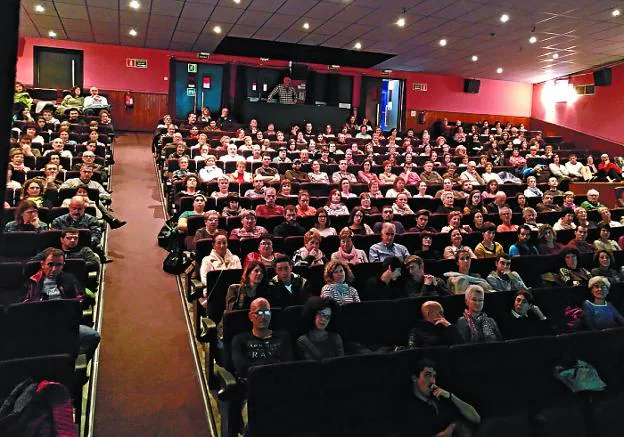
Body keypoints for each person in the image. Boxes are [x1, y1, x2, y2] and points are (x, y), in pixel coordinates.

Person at [24, 248, 101, 359]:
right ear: (42, 264)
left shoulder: (69, 279)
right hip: (39, 326)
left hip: (65, 324)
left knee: (93, 336)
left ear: (63, 265)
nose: (54, 269)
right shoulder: (33, 282)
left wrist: (73, 306)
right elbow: (25, 304)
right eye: (50, 264)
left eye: (59, 265)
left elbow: (81, 298)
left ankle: (73, 361)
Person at [402, 357, 481, 437]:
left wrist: (451, 396)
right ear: (415, 378)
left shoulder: (441, 396)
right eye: (427, 375)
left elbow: (476, 418)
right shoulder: (409, 409)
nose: (433, 381)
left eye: (434, 376)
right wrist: (444, 434)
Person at [31, 227, 101, 270]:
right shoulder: (51, 250)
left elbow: (94, 264)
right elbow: (33, 262)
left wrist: (69, 266)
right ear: (62, 239)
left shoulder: (84, 250)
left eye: (75, 238)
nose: (73, 240)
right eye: (69, 238)